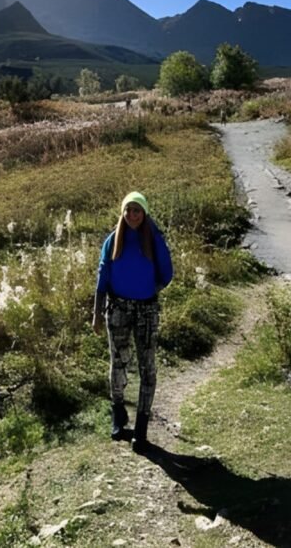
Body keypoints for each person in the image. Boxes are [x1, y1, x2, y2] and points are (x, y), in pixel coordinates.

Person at [92, 192, 174, 452]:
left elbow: (167, 273)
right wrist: (96, 312)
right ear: (122, 212)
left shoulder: (154, 239)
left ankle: (141, 428)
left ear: (145, 212)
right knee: (118, 362)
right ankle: (118, 415)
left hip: (147, 311)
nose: (132, 215)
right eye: (128, 210)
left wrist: (148, 291)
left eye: (137, 210)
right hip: (117, 309)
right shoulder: (113, 240)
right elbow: (102, 277)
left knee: (147, 368)